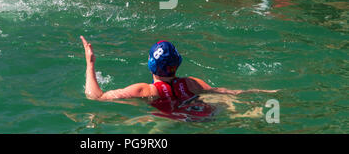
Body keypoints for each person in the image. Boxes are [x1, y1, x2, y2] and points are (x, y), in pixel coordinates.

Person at [80, 36, 277, 120]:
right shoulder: (192, 83)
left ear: (150, 65)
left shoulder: (147, 90)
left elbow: (96, 96)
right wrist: (259, 92)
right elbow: (227, 92)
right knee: (222, 101)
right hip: (203, 115)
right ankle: (249, 113)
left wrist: (90, 63)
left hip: (171, 122)